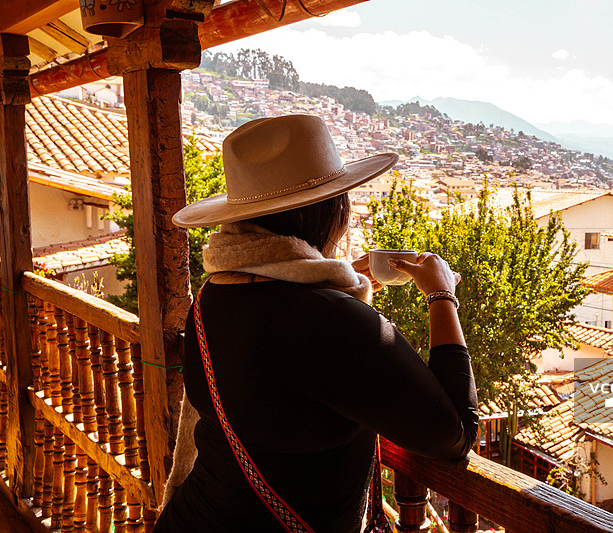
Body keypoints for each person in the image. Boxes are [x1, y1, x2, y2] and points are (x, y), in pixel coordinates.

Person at [154, 114, 478, 533]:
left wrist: (338, 283)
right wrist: (442, 295)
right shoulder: (333, 320)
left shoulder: (216, 293)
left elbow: (285, 367)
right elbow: (455, 434)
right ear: (330, 212)